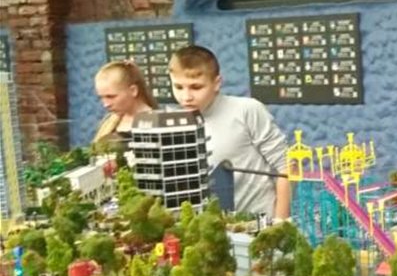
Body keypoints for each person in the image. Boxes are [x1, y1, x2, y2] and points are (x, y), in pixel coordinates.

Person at [169, 45, 290, 220]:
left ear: (217, 83)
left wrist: (281, 222)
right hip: (208, 227)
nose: (186, 97)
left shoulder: (247, 110)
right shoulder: (172, 124)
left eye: (196, 87)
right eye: (178, 87)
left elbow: (287, 167)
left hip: (260, 224)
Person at [93, 60, 158, 147]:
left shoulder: (157, 123)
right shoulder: (108, 123)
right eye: (101, 97)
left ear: (133, 90)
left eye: (111, 97)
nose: (106, 104)